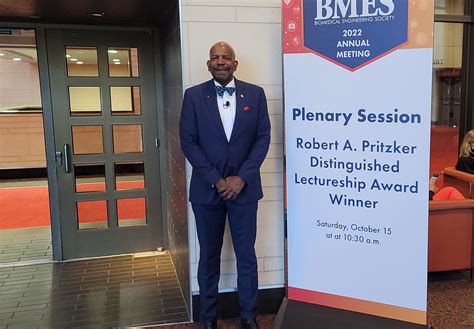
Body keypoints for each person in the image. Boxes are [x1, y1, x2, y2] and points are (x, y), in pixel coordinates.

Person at [179, 41, 271, 329]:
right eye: (215, 58)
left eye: (226, 57)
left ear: (235, 64)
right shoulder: (193, 96)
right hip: (207, 191)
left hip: (245, 189)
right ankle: (208, 319)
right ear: (208, 64)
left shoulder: (255, 94)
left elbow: (263, 138)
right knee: (208, 256)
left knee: (246, 255)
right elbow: (188, 142)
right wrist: (217, 180)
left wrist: (241, 177)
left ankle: (248, 316)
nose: (221, 61)